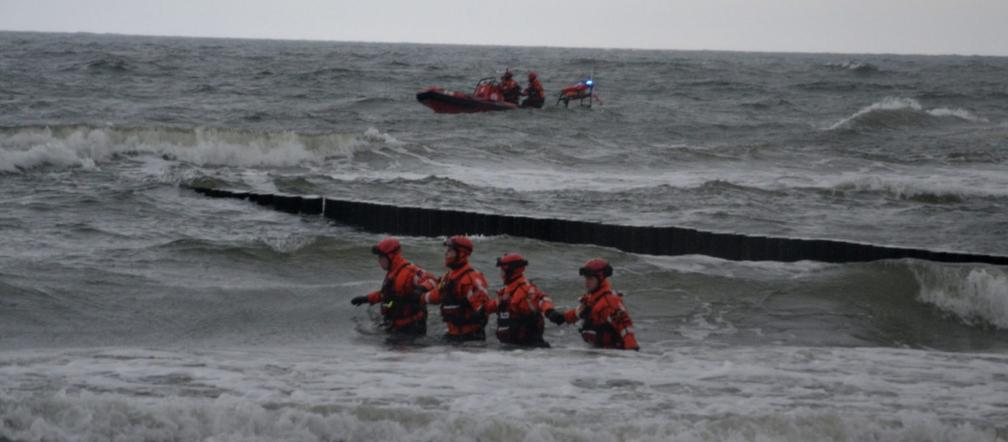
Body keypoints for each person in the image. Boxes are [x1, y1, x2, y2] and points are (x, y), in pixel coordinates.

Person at [546, 258, 640, 350]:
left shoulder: (610, 302)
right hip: (599, 356)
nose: (587, 282)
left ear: (600, 279)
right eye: (586, 278)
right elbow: (577, 313)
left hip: (613, 356)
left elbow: (626, 329)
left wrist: (631, 356)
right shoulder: (591, 299)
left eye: (590, 278)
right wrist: (561, 317)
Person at [350, 237, 436, 335]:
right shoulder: (393, 272)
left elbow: (432, 280)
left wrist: (420, 289)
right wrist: (367, 298)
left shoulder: (410, 271)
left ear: (391, 256)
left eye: (381, 257)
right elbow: (386, 295)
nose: (379, 261)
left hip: (411, 328)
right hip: (396, 326)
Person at [418, 235, 491, 342]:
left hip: (469, 339)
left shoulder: (472, 278)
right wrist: (420, 296)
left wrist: (464, 307)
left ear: (461, 254)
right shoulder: (449, 276)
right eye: (447, 250)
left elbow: (483, 310)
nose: (446, 254)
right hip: (453, 335)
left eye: (450, 251)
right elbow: (437, 295)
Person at [487, 253, 558, 347]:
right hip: (512, 348)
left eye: (502, 270)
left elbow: (541, 300)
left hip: (529, 348)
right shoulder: (506, 290)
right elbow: (492, 306)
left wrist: (550, 311)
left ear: (510, 270)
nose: (501, 274)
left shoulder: (526, 289)